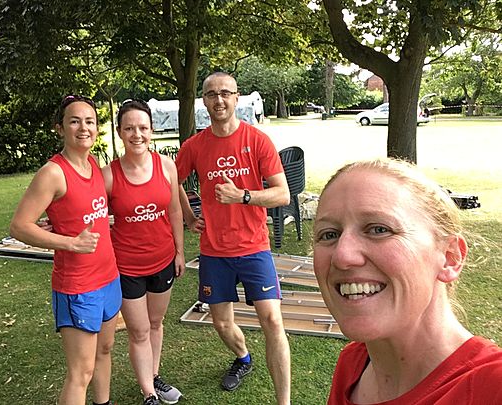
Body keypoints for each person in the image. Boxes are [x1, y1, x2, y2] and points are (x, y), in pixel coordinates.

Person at [313, 158, 502, 404]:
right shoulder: (353, 365)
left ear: (449, 257)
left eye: (379, 229)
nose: (342, 256)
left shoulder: (492, 388)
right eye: (329, 234)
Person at [175, 72, 291, 405]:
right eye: (212, 94)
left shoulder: (257, 140)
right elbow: (174, 182)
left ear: (236, 98)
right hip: (214, 251)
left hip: (254, 247)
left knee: (272, 319)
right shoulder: (195, 146)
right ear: (204, 102)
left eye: (225, 93)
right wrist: (188, 215)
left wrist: (244, 196)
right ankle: (243, 357)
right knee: (222, 323)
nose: (219, 100)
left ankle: (283, 401)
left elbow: (282, 194)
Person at [10, 95, 121, 405]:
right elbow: (19, 226)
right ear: (60, 128)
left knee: (105, 350)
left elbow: (80, 212)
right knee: (80, 372)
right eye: (75, 121)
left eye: (90, 121)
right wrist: (70, 242)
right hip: (77, 286)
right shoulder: (53, 173)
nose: (83, 128)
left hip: (109, 277)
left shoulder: (94, 165)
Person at [101, 99, 185, 405]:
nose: (137, 134)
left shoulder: (167, 166)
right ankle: (148, 393)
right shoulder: (108, 176)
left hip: (163, 260)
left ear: (152, 130)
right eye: (130, 128)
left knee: (155, 323)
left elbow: (175, 210)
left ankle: (154, 375)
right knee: (138, 331)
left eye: (143, 128)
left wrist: (179, 251)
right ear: (120, 132)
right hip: (126, 266)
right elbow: (87, 209)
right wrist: (55, 219)